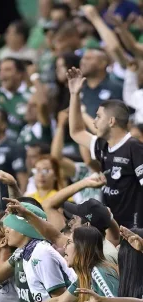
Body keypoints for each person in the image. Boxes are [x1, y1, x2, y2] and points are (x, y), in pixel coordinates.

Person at [67, 67, 143, 228]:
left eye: (98, 116)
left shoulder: (134, 147)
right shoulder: (103, 145)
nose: (94, 122)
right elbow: (76, 132)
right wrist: (74, 95)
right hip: (110, 227)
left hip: (133, 229)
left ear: (111, 121)